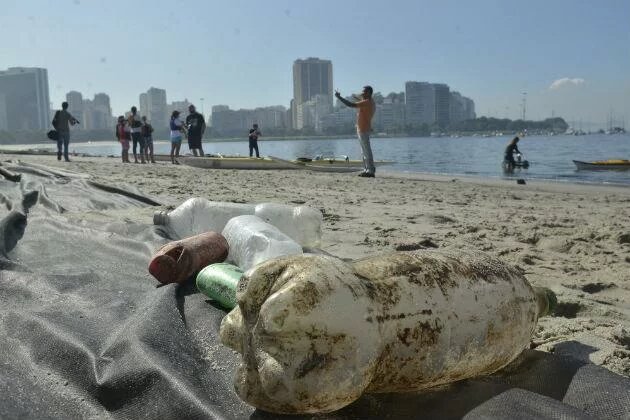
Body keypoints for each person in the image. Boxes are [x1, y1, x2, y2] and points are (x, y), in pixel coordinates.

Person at [335, 85, 376, 177]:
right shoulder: (370, 101)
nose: (362, 93)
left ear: (369, 93)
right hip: (362, 129)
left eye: (364, 92)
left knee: (366, 151)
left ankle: (370, 171)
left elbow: (350, 105)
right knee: (364, 151)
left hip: (364, 129)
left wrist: (339, 97)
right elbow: (361, 100)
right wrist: (357, 97)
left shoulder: (367, 102)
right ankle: (367, 170)